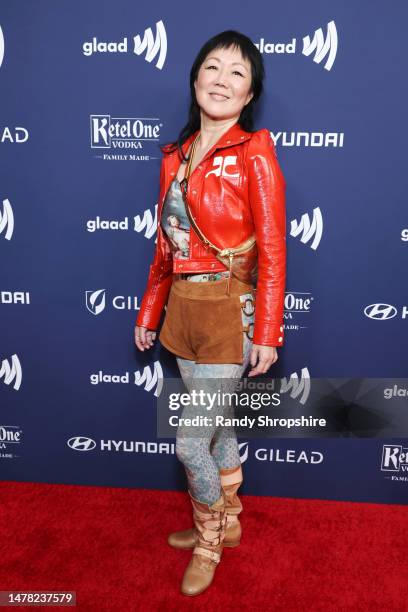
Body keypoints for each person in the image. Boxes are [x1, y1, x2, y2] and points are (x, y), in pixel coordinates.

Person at [134, 30, 286, 597]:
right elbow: (164, 246)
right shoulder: (175, 157)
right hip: (183, 311)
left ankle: (209, 537)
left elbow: (273, 250)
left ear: (249, 95)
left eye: (237, 73)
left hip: (229, 310)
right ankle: (233, 518)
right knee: (216, 429)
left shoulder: (256, 153)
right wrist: (150, 311)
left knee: (190, 441)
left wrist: (266, 331)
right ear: (195, 78)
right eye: (213, 68)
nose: (222, 80)